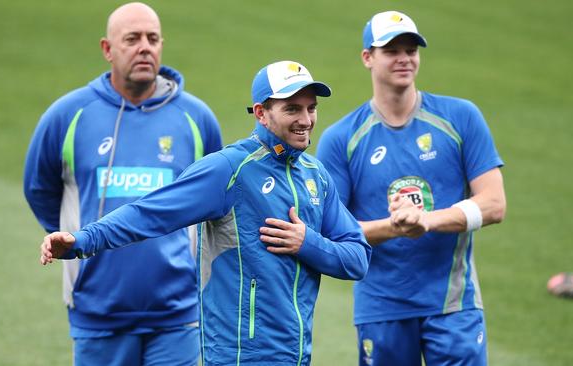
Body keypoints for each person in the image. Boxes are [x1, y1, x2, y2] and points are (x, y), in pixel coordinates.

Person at [39, 60, 372, 365]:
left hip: (296, 355)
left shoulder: (316, 176)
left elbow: (357, 257)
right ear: (261, 112)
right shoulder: (228, 171)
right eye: (292, 109)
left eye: (311, 108)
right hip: (238, 356)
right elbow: (148, 213)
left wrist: (307, 243)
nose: (306, 120)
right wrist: (83, 239)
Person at [23, 3, 222, 365]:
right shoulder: (68, 116)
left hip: (179, 313)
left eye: (153, 38)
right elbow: (39, 190)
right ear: (107, 49)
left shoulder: (196, 118)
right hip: (97, 311)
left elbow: (216, 199)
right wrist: (71, 237)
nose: (144, 47)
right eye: (132, 39)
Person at [316, 11, 507, 366]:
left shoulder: (461, 117)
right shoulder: (341, 139)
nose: (404, 58)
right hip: (381, 307)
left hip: (453, 304)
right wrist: (395, 227)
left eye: (411, 49)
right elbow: (332, 232)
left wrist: (428, 221)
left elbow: (494, 204)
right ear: (367, 58)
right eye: (391, 50)